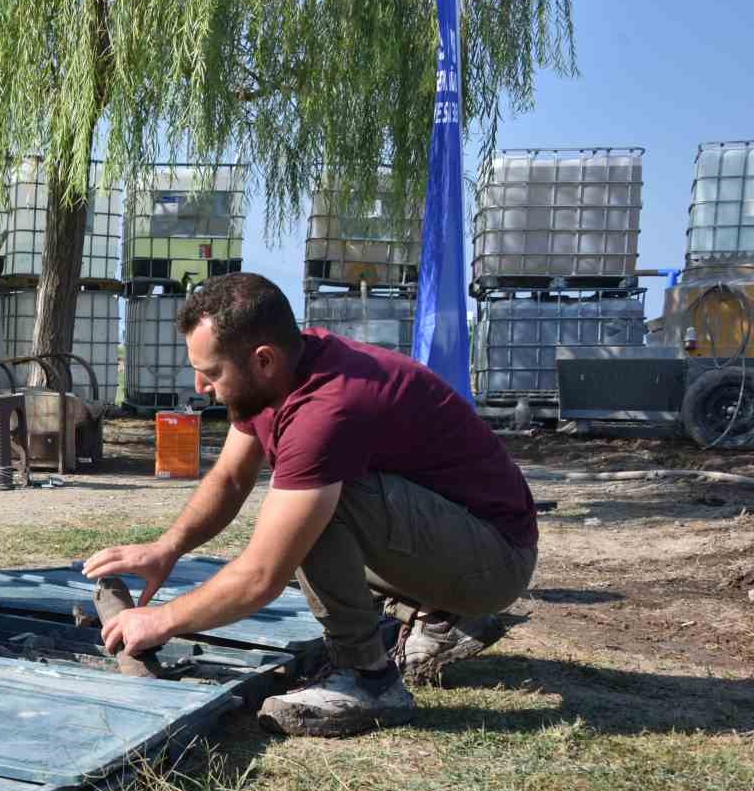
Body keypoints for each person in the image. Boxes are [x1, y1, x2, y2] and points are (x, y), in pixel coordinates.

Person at [84, 273, 538, 738]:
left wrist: (160, 621)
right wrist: (168, 548)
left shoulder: (325, 409)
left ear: (262, 360)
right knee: (309, 508)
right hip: (456, 538)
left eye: (212, 372)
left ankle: (368, 679)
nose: (201, 385)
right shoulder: (282, 373)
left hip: (495, 560)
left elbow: (261, 576)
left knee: (317, 509)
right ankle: (440, 616)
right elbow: (230, 477)